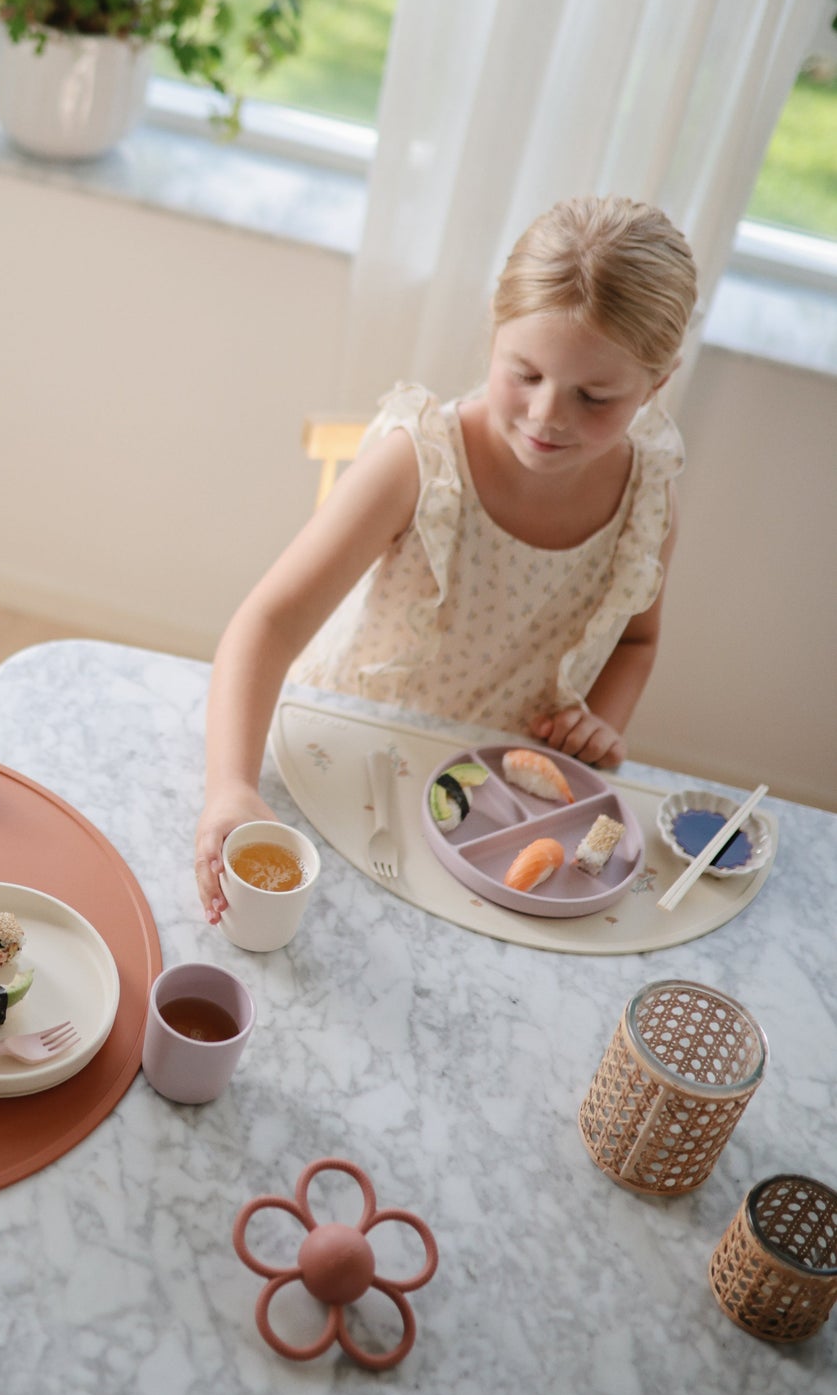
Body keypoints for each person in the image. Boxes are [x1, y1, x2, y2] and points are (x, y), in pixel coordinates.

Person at [196, 195, 699, 924]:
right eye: (524, 373)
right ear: (494, 336)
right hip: (347, 763)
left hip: (491, 812)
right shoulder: (419, 462)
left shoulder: (646, 502)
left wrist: (598, 723)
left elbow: (636, 639)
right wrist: (229, 788)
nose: (547, 415)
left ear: (655, 384)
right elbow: (266, 624)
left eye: (593, 395)